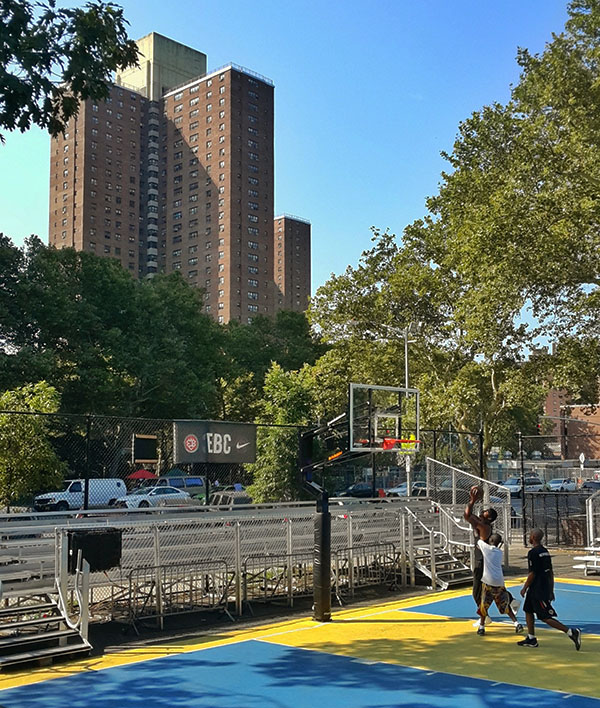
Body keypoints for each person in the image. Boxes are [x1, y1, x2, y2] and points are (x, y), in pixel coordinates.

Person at [517, 528, 582, 650]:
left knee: (544, 616)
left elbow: (532, 573)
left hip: (538, 589)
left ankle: (571, 632)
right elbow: (550, 572)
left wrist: (524, 587)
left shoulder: (533, 553)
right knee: (528, 610)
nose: (529, 537)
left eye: (530, 535)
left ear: (534, 538)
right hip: (543, 586)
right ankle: (531, 638)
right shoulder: (545, 551)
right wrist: (551, 589)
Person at [475, 533, 523, 635]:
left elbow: (479, 540)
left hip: (488, 582)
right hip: (499, 582)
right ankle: (516, 623)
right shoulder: (499, 552)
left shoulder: (487, 549)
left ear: (491, 540)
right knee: (504, 604)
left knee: (483, 605)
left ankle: (482, 627)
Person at [464, 485, 498, 609]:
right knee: (491, 586)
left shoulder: (483, 526)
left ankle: (483, 613)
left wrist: (472, 500)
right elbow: (470, 515)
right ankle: (510, 600)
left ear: (488, 517)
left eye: (486, 512)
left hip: (481, 560)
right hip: (483, 558)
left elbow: (467, 515)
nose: (483, 511)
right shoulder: (482, 522)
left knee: (477, 590)